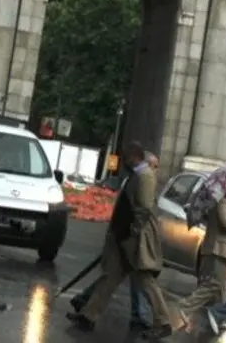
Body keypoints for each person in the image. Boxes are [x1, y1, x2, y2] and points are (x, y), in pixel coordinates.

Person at [68, 142, 174, 339]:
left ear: (134, 157)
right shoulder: (136, 175)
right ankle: (88, 315)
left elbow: (143, 208)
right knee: (110, 277)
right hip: (124, 237)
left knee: (144, 280)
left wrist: (133, 231)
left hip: (134, 239)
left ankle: (163, 321)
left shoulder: (145, 176)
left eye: (126, 156)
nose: (124, 160)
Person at [175, 181, 226, 331]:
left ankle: (219, 317)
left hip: (221, 250)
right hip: (218, 249)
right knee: (215, 284)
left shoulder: (224, 204)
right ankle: (185, 305)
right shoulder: (222, 204)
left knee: (222, 287)